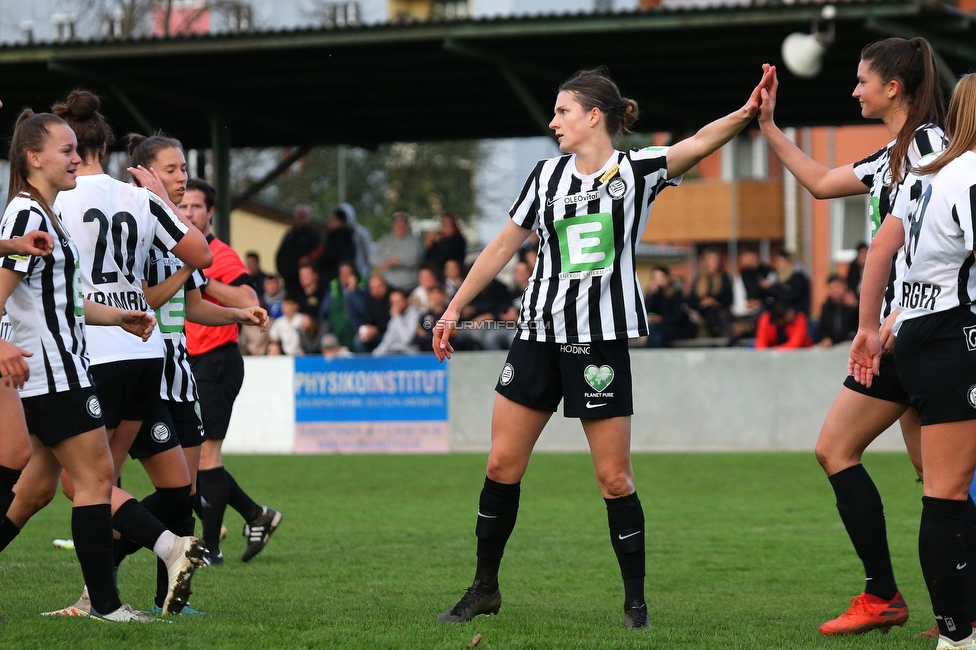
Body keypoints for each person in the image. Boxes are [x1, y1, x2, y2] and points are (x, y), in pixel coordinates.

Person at [432, 64, 774, 628]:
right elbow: (499, 248)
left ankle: (635, 604)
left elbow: (696, 144)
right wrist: (452, 309)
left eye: (562, 111)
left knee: (614, 478)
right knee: (500, 464)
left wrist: (746, 113)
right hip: (537, 336)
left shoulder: (637, 170)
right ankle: (484, 588)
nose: (553, 121)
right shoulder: (544, 177)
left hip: (598, 344)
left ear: (594, 116)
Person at [758, 36, 946, 634]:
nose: (855, 89)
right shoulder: (894, 152)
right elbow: (818, 181)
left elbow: (938, 241)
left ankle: (918, 604)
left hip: (922, 329)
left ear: (893, 87)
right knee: (921, 477)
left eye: (863, 80)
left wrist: (888, 316)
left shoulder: (932, 145)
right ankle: (901, 599)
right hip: (898, 335)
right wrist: (767, 124)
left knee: (938, 482)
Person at [0, 110, 200, 621]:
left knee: (40, 487)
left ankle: (107, 600)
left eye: (76, 149)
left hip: (64, 365)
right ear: (33, 157)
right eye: (66, 151)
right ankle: (124, 589)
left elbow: (63, 299)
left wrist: (118, 316)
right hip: (50, 370)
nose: (76, 158)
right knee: (90, 479)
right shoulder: (27, 213)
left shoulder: (47, 213)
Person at [848, 73, 976, 650]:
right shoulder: (970, 172)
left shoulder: (930, 172)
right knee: (949, 493)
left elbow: (881, 247)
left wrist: (870, 328)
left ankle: (954, 628)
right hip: (957, 333)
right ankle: (957, 633)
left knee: (944, 490)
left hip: (917, 332)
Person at [124, 133, 268, 613]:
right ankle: (100, 559)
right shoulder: (136, 228)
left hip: (179, 375)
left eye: (183, 168)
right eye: (171, 169)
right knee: (168, 490)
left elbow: (195, 308)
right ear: (144, 174)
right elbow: (143, 301)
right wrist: (188, 268)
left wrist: (239, 316)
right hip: (144, 374)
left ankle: (170, 596)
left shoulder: (182, 236)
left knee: (185, 493)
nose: (182, 177)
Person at [181, 178, 282, 565]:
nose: (188, 213)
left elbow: (249, 300)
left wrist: (201, 278)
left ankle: (211, 548)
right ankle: (258, 515)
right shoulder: (180, 251)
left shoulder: (218, 255)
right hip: (191, 361)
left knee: (207, 457)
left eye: (196, 207)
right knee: (196, 458)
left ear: (210, 213)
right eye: (183, 206)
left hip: (217, 360)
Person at [686, 248, 734, 338]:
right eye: (711, 259)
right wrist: (702, 303)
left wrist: (714, 302)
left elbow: (728, 298)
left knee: (715, 312)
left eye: (716, 259)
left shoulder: (724, 278)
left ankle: (719, 333)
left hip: (718, 309)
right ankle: (716, 332)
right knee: (708, 311)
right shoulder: (698, 279)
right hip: (702, 311)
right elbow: (691, 300)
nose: (714, 262)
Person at [275, 204, 321, 296]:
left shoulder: (314, 235)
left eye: (303, 215)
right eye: (299, 215)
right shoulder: (290, 234)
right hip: (288, 280)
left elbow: (319, 254)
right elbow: (280, 254)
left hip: (304, 284)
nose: (301, 218)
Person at [370, 211, 423, 291]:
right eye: (398, 223)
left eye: (403, 224)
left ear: (407, 225)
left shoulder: (415, 241)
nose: (400, 226)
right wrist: (386, 261)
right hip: (387, 285)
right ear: (393, 224)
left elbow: (414, 258)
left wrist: (398, 262)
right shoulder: (385, 239)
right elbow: (373, 256)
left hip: (409, 286)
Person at [644, 266, 691, 349]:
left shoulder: (676, 294)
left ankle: (650, 357)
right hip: (658, 328)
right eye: (655, 277)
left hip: (675, 328)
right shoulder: (654, 294)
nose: (658, 280)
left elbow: (678, 316)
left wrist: (662, 319)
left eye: (660, 277)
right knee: (656, 335)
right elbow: (647, 310)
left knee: (655, 332)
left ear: (668, 278)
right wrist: (653, 294)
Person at [372, 290, 419, 356]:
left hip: (409, 355)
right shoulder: (395, 317)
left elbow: (407, 339)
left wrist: (397, 317)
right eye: (393, 302)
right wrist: (374, 356)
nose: (396, 305)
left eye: (398, 301)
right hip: (393, 354)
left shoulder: (415, 314)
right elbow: (387, 341)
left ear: (406, 300)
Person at [817, 274, 859, 347]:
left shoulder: (857, 303)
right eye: (831, 288)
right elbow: (823, 329)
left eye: (837, 287)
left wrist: (856, 306)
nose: (834, 291)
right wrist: (826, 338)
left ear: (845, 287)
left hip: (853, 343)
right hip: (833, 346)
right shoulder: (826, 307)